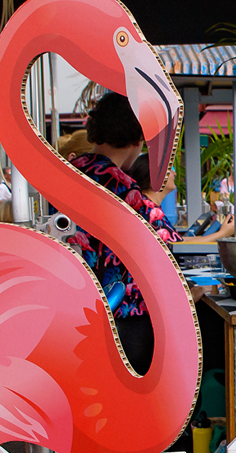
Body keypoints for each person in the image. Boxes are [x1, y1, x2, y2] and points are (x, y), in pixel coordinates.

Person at [68, 92, 181, 374]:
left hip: (77, 304)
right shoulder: (119, 182)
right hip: (121, 312)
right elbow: (163, 236)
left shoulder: (73, 170)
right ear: (137, 137)